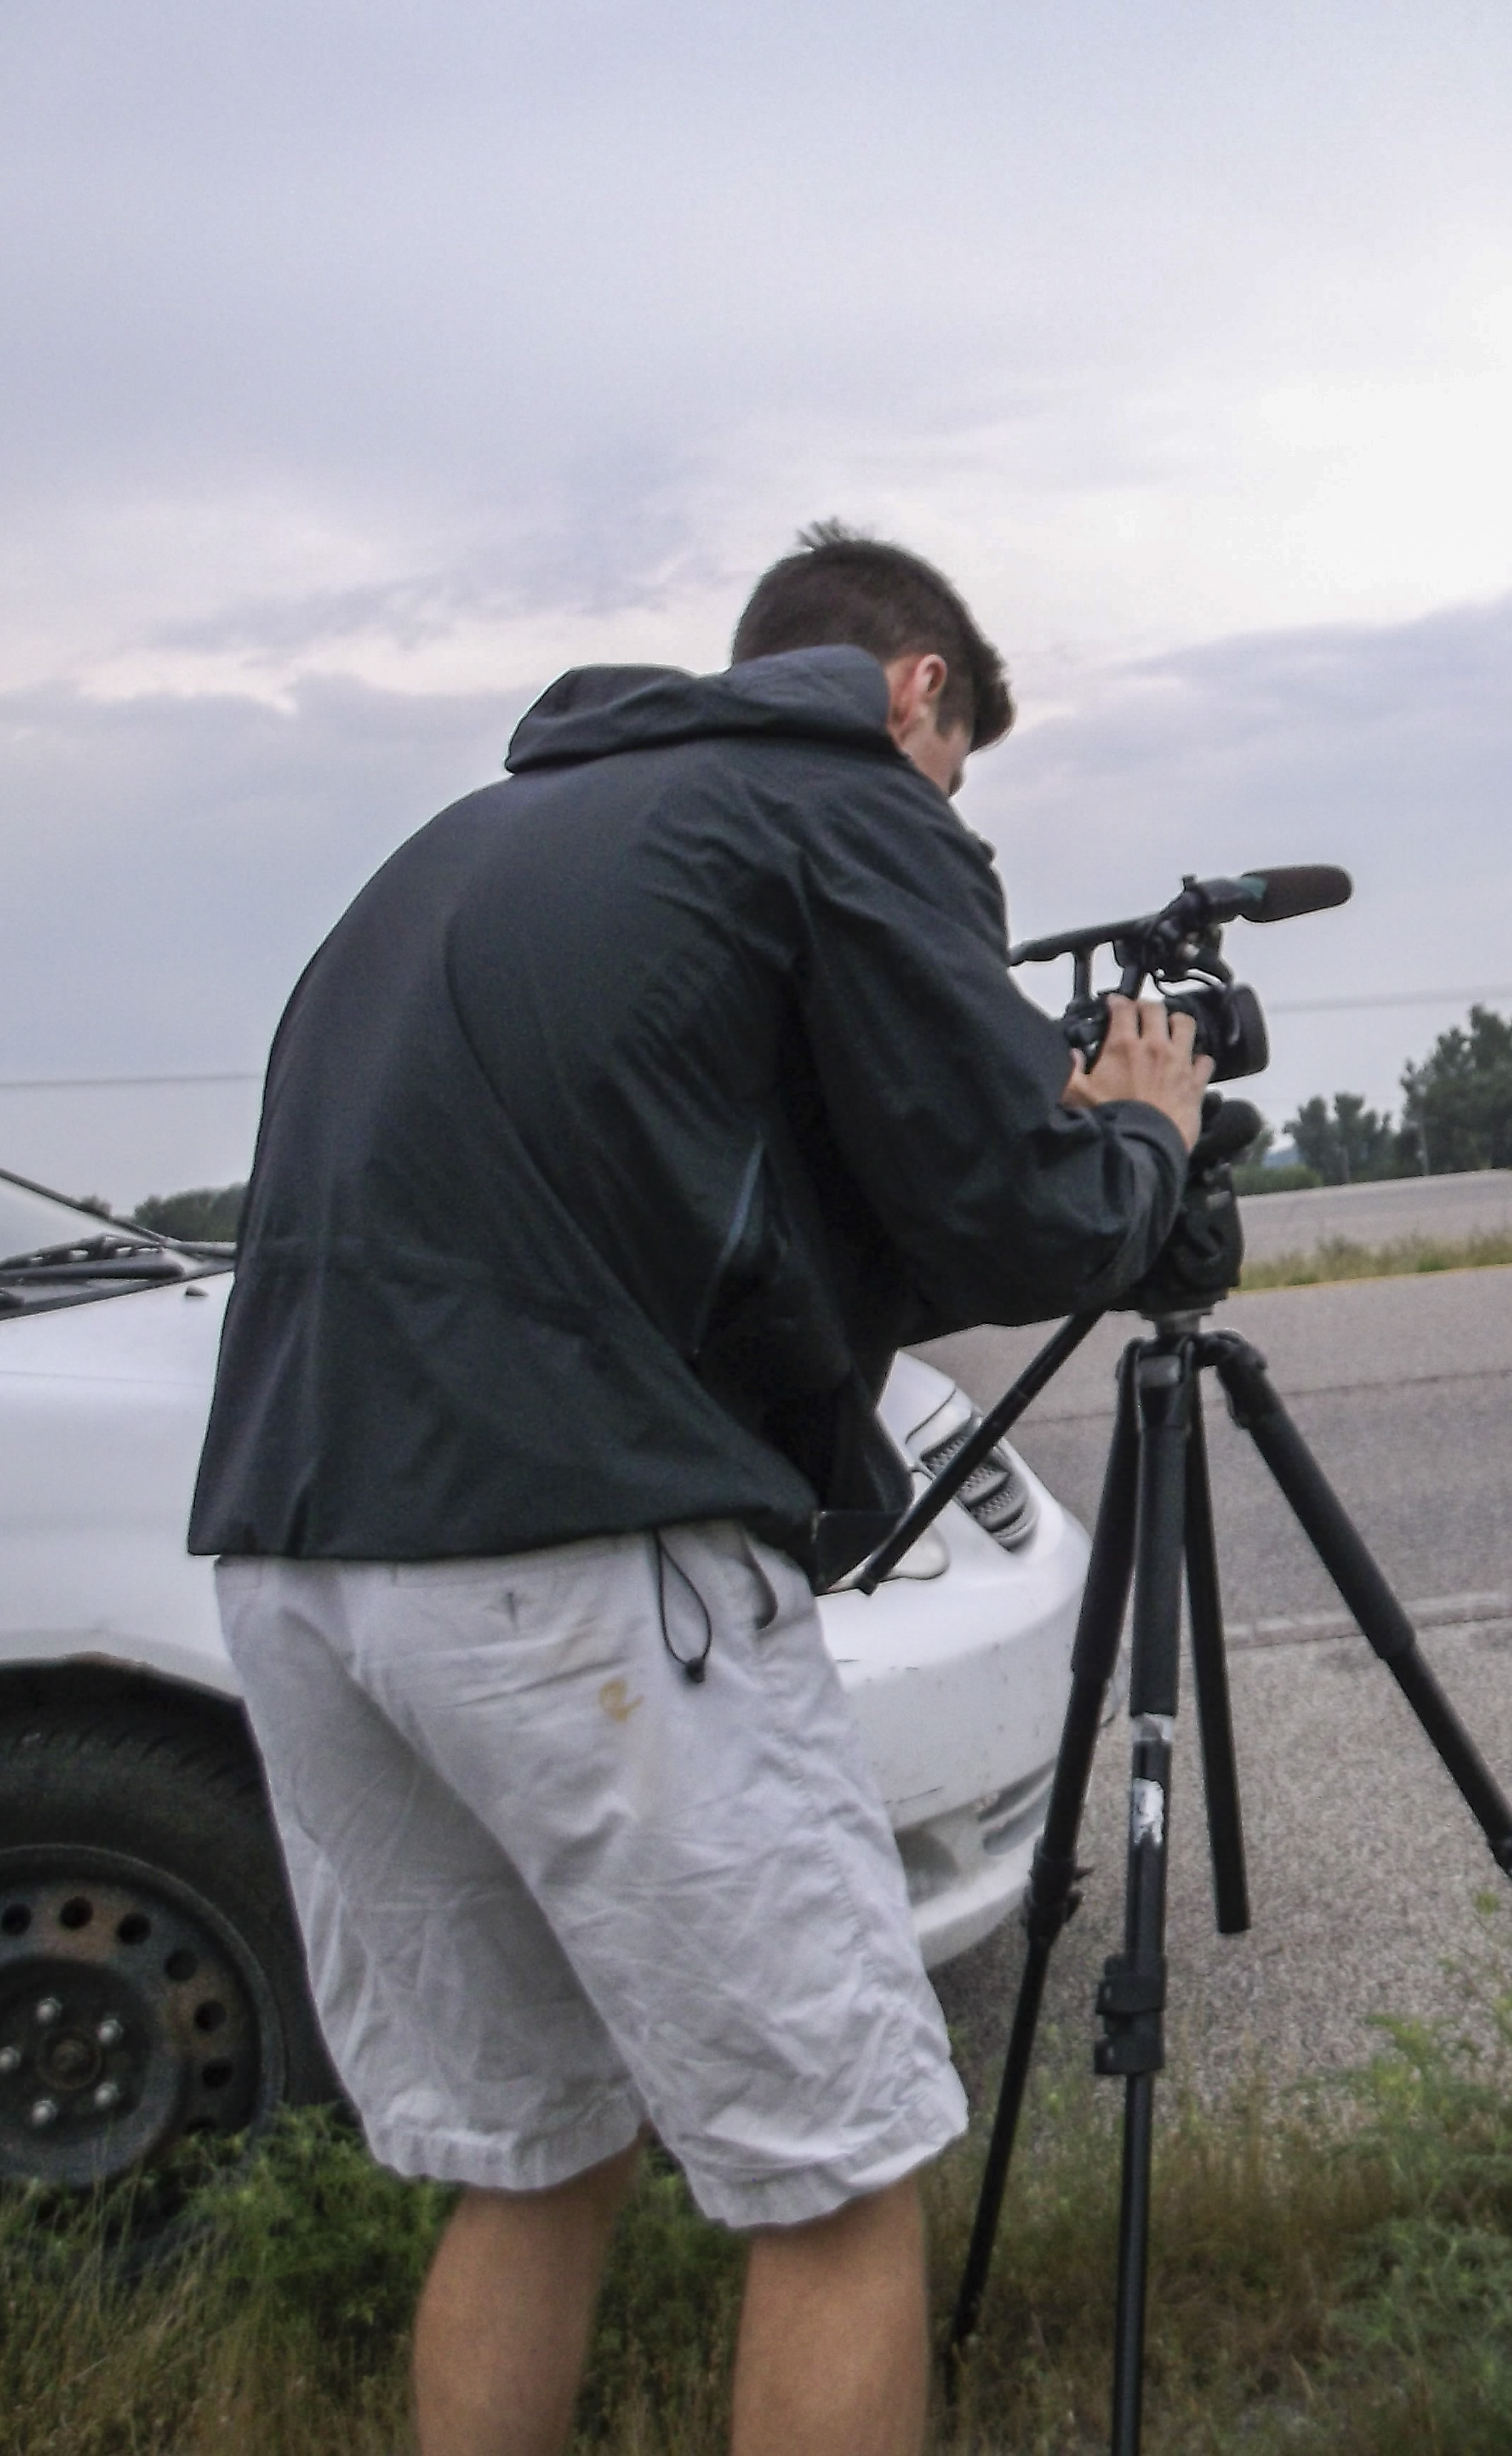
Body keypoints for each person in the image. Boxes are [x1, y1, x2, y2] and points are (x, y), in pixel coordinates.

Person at [188, 525, 1214, 2456]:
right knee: (835, 2187)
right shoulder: (835, 800)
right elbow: (1015, 1208)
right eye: (960, 766)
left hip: (301, 1560)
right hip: (568, 1563)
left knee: (533, 2155)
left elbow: (708, 1205)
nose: (948, 809)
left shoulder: (475, 846)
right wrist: (1139, 1132)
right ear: (919, 693)